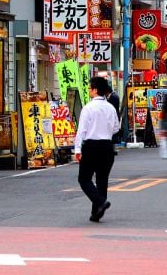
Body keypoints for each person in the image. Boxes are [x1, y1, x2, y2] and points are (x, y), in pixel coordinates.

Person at [74, 77, 120, 223]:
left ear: (95, 90)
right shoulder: (111, 108)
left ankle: (100, 203)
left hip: (91, 146)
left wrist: (77, 149)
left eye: (89, 88)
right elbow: (116, 128)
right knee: (102, 179)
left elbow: (81, 130)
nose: (88, 90)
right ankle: (96, 213)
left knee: (84, 179)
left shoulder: (88, 108)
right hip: (107, 146)